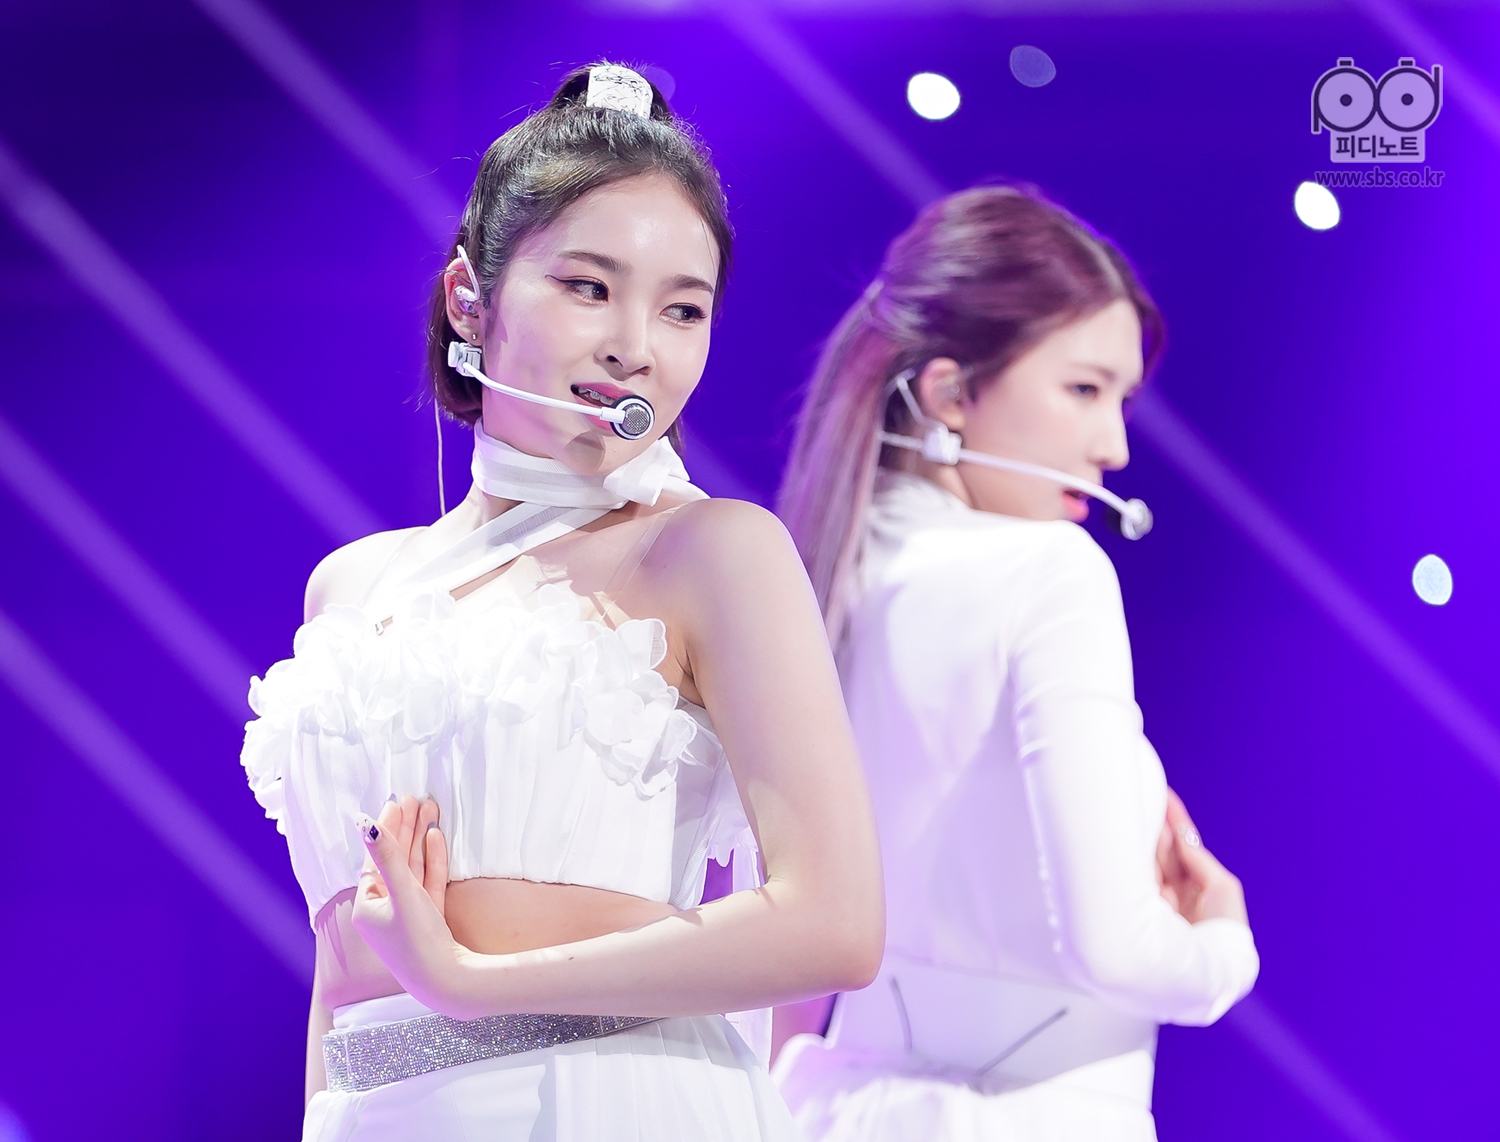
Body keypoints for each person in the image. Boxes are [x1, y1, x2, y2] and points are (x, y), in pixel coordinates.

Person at [240, 63, 884, 1142]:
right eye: (589, 286)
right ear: (469, 299)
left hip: (611, 1100)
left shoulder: (713, 552)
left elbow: (837, 924)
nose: (637, 342)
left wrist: (472, 983)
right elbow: (344, 959)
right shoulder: (352, 584)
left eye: (683, 308)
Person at [771, 185, 1258, 1141]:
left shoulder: (823, 577)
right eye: (1084, 390)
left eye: (1121, 401)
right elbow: (1115, 950)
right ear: (952, 393)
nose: (1113, 446)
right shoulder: (1053, 572)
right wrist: (1223, 949)